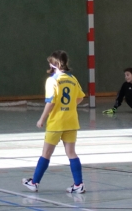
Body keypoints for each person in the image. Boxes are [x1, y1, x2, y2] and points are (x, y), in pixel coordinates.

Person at [23, 51, 86, 193]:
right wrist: (69, 107)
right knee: (71, 152)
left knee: (46, 153)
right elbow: (80, 97)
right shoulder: (72, 79)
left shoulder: (52, 80)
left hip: (56, 122)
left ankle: (34, 182)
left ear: (54, 64)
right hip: (71, 121)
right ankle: (78, 184)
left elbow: (50, 102)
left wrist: (42, 119)